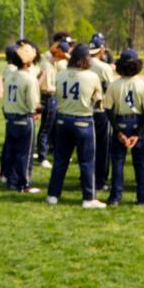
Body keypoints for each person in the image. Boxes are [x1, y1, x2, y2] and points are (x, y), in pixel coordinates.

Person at [47, 44, 108, 209]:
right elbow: (98, 101)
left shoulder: (60, 75)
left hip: (62, 120)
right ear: (84, 59)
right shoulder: (92, 76)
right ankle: (88, 198)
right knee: (87, 161)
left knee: (60, 160)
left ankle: (53, 195)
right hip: (83, 121)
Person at [102, 49, 144, 205]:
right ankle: (142, 198)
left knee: (118, 162)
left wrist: (118, 131)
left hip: (120, 121)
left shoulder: (114, 85)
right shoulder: (142, 84)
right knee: (141, 163)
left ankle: (115, 197)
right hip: (137, 122)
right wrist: (138, 133)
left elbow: (108, 110)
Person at [2, 42, 43, 194]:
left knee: (12, 152)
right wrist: (41, 108)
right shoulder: (29, 79)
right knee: (24, 154)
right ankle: (24, 184)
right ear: (27, 61)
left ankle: (11, 181)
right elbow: (33, 104)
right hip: (24, 118)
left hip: (10, 118)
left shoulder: (10, 75)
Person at [35, 33, 71, 169]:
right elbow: (45, 86)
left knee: (51, 128)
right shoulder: (47, 65)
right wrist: (60, 88)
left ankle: (46, 152)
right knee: (46, 128)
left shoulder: (52, 64)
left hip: (53, 97)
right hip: (48, 98)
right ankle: (42, 156)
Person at [88, 33, 116, 193]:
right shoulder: (104, 67)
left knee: (87, 146)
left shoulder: (82, 63)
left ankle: (86, 177)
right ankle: (100, 180)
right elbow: (110, 89)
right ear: (101, 50)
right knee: (103, 147)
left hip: (84, 110)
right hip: (101, 109)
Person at [0, 44, 20, 184]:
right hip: (14, 108)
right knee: (12, 144)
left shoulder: (8, 69)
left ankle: (4, 172)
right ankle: (7, 173)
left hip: (8, 106)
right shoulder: (13, 70)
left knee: (9, 142)